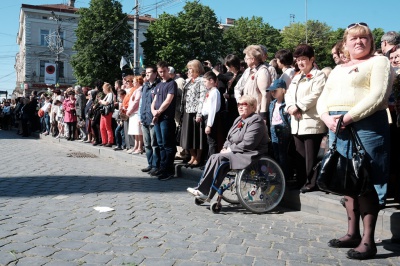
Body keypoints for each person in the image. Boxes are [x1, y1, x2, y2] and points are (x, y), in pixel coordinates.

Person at [317, 22, 392, 260]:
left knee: (366, 180)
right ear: (346, 44)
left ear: (371, 41)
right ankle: (352, 233)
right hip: (337, 127)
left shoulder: (379, 62)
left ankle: (369, 241)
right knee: (347, 177)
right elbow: (323, 97)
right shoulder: (339, 68)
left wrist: (347, 118)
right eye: (353, 39)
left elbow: (378, 95)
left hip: (367, 126)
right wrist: (326, 117)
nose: (359, 42)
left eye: (364, 38)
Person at [187, 95, 269, 201]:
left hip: (250, 153)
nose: (240, 107)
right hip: (237, 151)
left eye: (244, 104)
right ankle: (203, 189)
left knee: (218, 158)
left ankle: (205, 191)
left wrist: (230, 149)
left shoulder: (256, 120)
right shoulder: (239, 119)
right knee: (214, 157)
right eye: (239, 104)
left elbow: (249, 143)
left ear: (253, 107)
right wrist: (225, 147)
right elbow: (229, 137)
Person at [284, 44, 327, 193]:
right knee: (300, 155)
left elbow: (316, 94)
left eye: (304, 59)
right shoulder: (297, 76)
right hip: (296, 122)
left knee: (311, 156)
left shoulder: (319, 75)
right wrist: (290, 107)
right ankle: (301, 180)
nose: (301, 62)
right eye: (298, 60)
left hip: (311, 121)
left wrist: (298, 106)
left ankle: (312, 182)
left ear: (312, 59)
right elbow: (288, 94)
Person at [151, 61, 177, 181]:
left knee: (168, 145)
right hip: (157, 118)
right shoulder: (158, 85)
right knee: (160, 144)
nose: (162, 74)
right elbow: (154, 101)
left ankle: (169, 169)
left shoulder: (172, 84)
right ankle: (162, 167)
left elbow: (168, 100)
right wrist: (153, 111)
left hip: (166, 118)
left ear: (168, 70)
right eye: (160, 72)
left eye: (164, 71)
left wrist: (159, 112)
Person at [180, 59, 207, 167]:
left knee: (197, 136)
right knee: (188, 136)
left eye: (191, 69)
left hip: (196, 111)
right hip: (187, 110)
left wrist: (199, 113)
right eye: (188, 69)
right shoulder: (187, 81)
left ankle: (198, 157)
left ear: (197, 69)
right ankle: (192, 156)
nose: (189, 71)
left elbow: (202, 97)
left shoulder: (201, 81)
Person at [234, 45, 272, 121]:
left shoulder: (262, 71)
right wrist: (240, 102)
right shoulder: (249, 71)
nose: (245, 61)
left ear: (252, 59)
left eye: (246, 58)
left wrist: (263, 115)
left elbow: (265, 94)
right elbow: (237, 88)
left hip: (257, 114)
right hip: (248, 113)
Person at [139, 66, 160, 175]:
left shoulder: (158, 85)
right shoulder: (145, 86)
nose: (146, 74)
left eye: (149, 72)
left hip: (153, 119)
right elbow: (142, 103)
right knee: (147, 144)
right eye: (146, 73)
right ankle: (150, 164)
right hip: (144, 118)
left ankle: (156, 165)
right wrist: (140, 117)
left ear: (155, 73)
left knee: (154, 144)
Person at [268, 79, 291, 179]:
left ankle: (285, 175)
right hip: (273, 128)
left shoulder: (287, 104)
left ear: (283, 90)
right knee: (276, 152)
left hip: (283, 129)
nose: (273, 93)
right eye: (271, 91)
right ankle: (278, 174)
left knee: (283, 154)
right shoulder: (272, 104)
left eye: (275, 90)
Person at [201, 71, 221, 157]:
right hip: (207, 117)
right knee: (209, 141)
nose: (204, 84)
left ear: (211, 81)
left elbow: (212, 109)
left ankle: (212, 162)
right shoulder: (210, 91)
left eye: (205, 81)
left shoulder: (215, 92)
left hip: (211, 118)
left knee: (212, 142)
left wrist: (209, 125)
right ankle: (209, 161)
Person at [126, 75, 144, 154]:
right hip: (134, 112)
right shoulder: (136, 90)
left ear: (138, 82)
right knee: (135, 132)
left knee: (139, 132)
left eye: (134, 82)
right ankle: (136, 146)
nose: (133, 83)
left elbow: (136, 102)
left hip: (136, 112)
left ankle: (139, 147)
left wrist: (129, 110)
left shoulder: (139, 90)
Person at [98, 83, 115, 147]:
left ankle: (110, 141)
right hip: (103, 112)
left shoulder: (110, 94)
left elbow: (107, 102)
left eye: (103, 88)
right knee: (102, 127)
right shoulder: (107, 94)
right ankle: (104, 141)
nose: (103, 90)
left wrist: (101, 101)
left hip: (107, 112)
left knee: (108, 127)